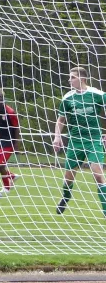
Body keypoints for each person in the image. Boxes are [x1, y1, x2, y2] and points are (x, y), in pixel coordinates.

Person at [53, 67, 106, 217]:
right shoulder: (67, 98)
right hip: (75, 141)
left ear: (82, 79)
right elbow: (60, 120)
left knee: (98, 175)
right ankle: (65, 197)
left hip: (93, 140)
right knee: (68, 178)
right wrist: (57, 137)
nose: (69, 80)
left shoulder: (98, 95)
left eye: (72, 77)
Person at [0, 90, 22, 194]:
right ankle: (12, 176)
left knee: (1, 166)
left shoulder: (10, 111)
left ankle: (6, 188)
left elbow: (17, 127)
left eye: (0, 97)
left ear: (3, 98)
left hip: (9, 142)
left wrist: (16, 143)